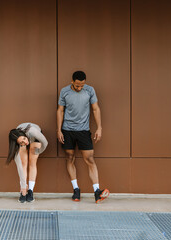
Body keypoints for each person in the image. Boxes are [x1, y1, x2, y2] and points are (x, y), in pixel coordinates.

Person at [57, 71, 109, 203]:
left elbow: (96, 109)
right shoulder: (65, 91)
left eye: (82, 85)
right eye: (77, 86)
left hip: (83, 131)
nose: (80, 88)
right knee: (70, 157)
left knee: (90, 159)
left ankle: (97, 191)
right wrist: (59, 130)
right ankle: (76, 190)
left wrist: (99, 128)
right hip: (67, 130)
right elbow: (60, 110)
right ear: (72, 82)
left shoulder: (90, 90)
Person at [7, 123, 48, 203]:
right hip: (21, 137)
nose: (25, 142)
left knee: (32, 162)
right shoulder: (17, 142)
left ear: (24, 136)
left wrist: (39, 151)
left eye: (24, 139)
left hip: (34, 137)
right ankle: (23, 192)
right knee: (23, 164)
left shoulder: (33, 132)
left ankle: (30, 191)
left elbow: (45, 143)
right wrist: (23, 186)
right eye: (21, 142)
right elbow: (19, 167)